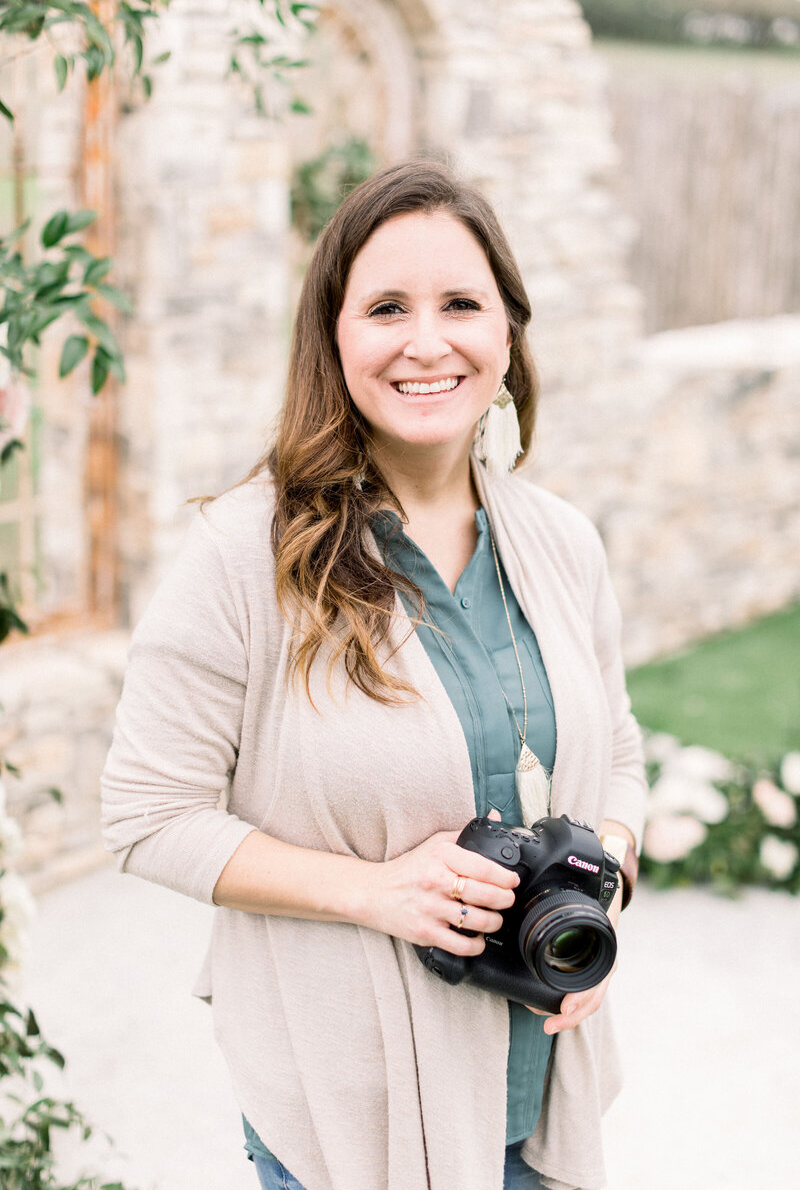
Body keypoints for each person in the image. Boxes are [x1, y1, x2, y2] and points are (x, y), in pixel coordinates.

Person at [101, 159, 646, 1190]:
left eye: (460, 304)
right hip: (348, 1120)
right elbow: (144, 813)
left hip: (541, 1104)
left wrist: (601, 876)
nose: (426, 341)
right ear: (333, 336)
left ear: (506, 333)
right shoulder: (242, 554)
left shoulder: (560, 542)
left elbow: (615, 745)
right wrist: (373, 893)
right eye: (386, 306)